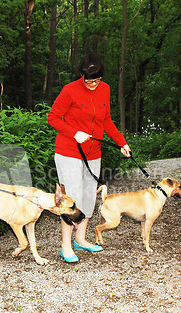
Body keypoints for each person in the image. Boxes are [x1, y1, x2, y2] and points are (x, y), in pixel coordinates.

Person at [48, 54, 131, 262]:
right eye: (89, 80)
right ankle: (66, 246)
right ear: (81, 75)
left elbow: (106, 120)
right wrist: (74, 132)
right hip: (69, 152)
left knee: (87, 196)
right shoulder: (70, 90)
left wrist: (121, 142)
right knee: (71, 199)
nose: (93, 84)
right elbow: (53, 118)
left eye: (97, 80)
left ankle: (81, 239)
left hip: (93, 153)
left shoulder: (105, 89)